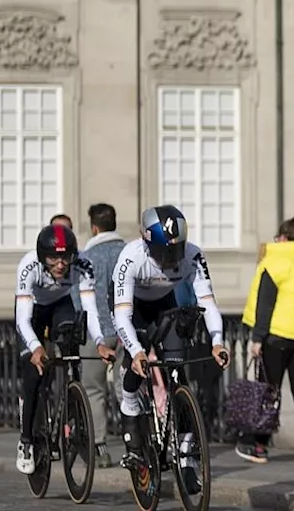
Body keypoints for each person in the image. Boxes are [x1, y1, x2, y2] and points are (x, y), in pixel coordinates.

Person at [112, 205, 230, 490]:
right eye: (163, 253)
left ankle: (187, 459)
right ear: (146, 242)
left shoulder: (192, 254)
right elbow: (122, 316)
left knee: (178, 376)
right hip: (135, 309)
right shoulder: (131, 258)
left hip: (165, 304)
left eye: (174, 253)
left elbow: (209, 302)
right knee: (135, 367)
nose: (169, 260)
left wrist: (217, 343)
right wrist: (138, 351)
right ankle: (133, 424)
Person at [15, 224, 112, 474]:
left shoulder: (82, 264)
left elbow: (90, 310)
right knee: (33, 374)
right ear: (41, 257)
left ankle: (72, 398)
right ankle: (26, 440)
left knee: (71, 338)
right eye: (53, 258)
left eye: (65, 257)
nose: (60, 264)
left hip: (60, 305)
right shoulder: (28, 267)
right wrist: (36, 347)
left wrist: (100, 341)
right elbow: (22, 320)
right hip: (33, 312)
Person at [236, 215, 294, 465]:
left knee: (268, 392)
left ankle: (259, 446)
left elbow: (265, 305)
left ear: (284, 238)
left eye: (278, 236)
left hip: (278, 336)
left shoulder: (275, 261)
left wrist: (257, 339)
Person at [78, 203, 128, 467]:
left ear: (94, 227)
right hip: (125, 331)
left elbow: (79, 299)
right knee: (128, 390)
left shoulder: (87, 256)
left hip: (95, 332)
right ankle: (137, 444)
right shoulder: (128, 251)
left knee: (94, 390)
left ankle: (99, 447)